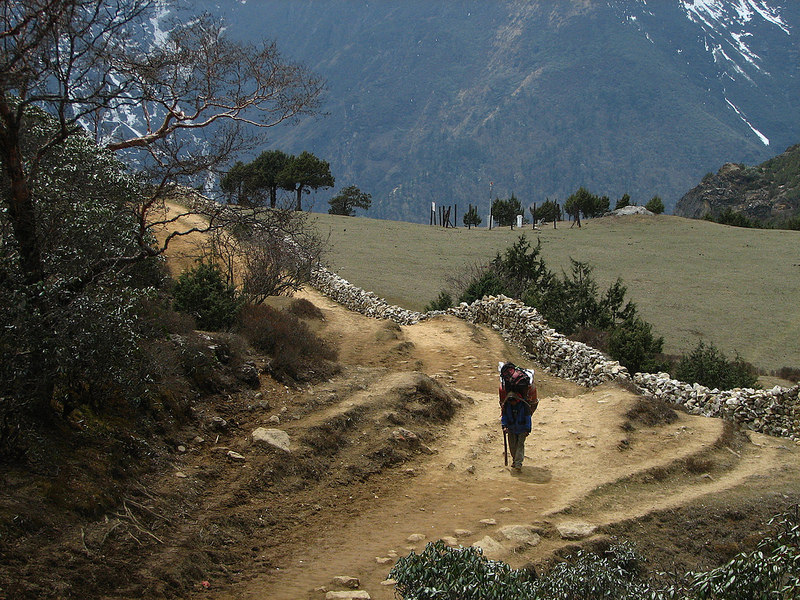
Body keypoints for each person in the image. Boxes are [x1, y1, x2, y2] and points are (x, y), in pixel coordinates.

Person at [499, 362, 538, 470]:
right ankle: (515, 460)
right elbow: (505, 416)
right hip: (511, 428)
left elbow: (527, 418)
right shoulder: (508, 406)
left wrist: (527, 429)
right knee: (512, 446)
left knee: (520, 445)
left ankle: (518, 463)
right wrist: (504, 425)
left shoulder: (523, 407)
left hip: (521, 429)